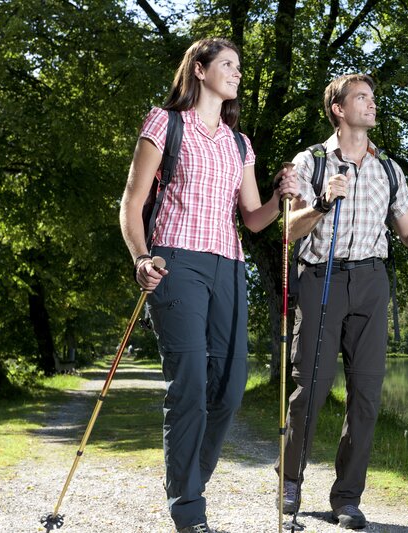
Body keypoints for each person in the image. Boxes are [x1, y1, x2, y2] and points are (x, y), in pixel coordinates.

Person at [118, 37, 299, 533]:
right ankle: (189, 510)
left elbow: (254, 218)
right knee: (190, 386)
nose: (237, 72)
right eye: (227, 64)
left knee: (230, 389)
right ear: (199, 69)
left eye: (239, 66)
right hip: (175, 261)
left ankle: (187, 480)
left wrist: (280, 197)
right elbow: (131, 202)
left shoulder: (240, 143)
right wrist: (141, 258)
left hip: (230, 267)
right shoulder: (165, 123)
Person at [277, 73, 408, 529]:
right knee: (311, 387)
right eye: (362, 97)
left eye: (373, 98)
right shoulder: (312, 161)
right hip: (321, 279)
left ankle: (347, 498)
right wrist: (322, 204)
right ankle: (289, 481)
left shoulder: (387, 168)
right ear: (338, 109)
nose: (372, 104)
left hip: (372, 281)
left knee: (367, 395)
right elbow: (289, 230)